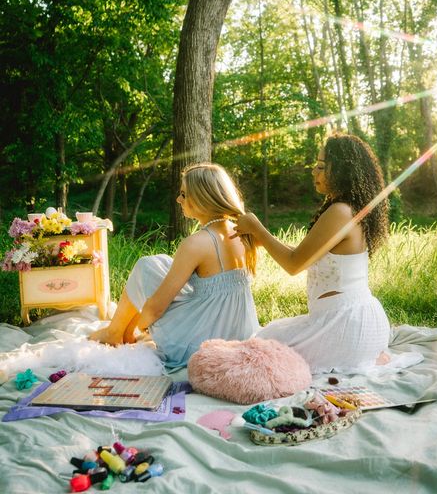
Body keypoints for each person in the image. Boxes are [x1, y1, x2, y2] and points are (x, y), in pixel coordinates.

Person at [232, 133, 391, 374]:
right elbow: (305, 254)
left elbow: (295, 264)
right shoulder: (349, 208)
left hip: (346, 325)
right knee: (268, 337)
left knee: (259, 348)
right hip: (359, 320)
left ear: (342, 171)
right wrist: (262, 241)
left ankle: (353, 355)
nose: (313, 172)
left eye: (321, 166)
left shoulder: (340, 211)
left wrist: (257, 227)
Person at [89, 163, 259, 369]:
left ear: (202, 198)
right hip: (238, 333)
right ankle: (119, 330)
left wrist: (143, 328)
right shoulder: (243, 232)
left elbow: (156, 308)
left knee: (144, 268)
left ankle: (116, 332)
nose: (179, 200)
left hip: (200, 342)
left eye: (184, 194)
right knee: (155, 264)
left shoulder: (197, 243)